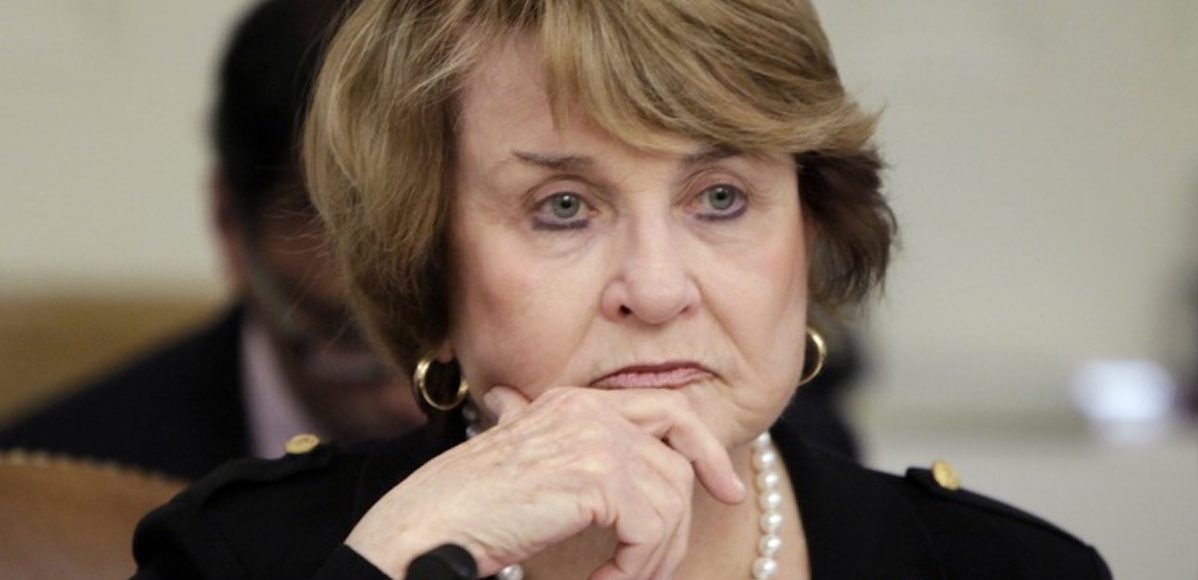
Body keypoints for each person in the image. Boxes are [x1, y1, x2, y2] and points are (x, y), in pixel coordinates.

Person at [132, 0, 1111, 578]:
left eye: (721, 197)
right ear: (429, 263)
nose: (655, 287)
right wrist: (401, 560)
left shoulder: (1008, 570)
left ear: (809, 229)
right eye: (563, 207)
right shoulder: (241, 557)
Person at [0, 0, 423, 480]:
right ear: (232, 228)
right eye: (352, 341)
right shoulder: (50, 493)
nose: (420, 402)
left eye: (447, 331)